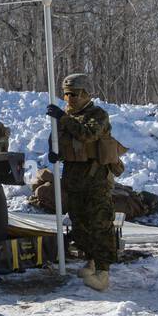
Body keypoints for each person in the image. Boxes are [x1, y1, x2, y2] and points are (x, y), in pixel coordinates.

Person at [46, 73, 126, 292]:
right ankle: (90, 261)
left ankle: (103, 271)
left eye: (73, 94)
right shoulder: (66, 116)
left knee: (99, 223)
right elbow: (61, 142)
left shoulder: (97, 115)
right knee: (79, 224)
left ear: (85, 93)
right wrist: (55, 152)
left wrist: (63, 118)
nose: (69, 98)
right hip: (74, 178)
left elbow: (87, 134)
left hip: (96, 179)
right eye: (66, 94)